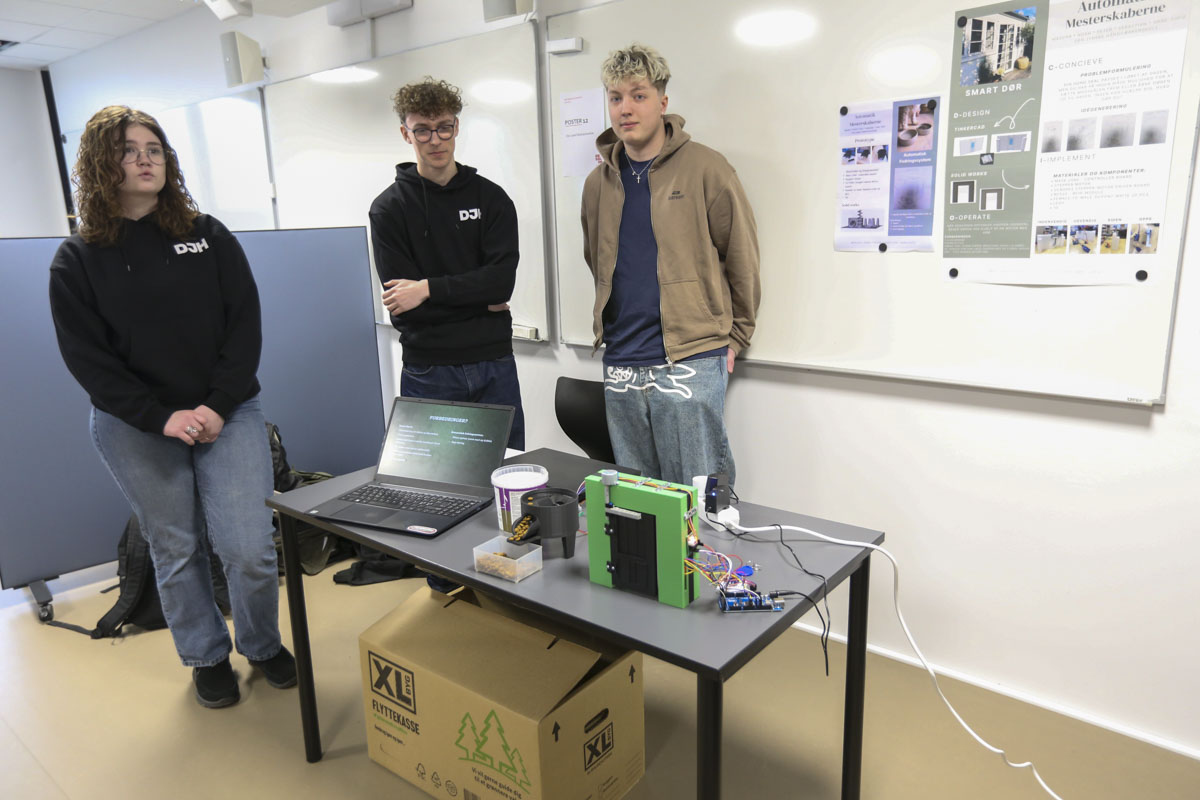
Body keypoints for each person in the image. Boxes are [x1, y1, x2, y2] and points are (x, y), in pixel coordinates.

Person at [48, 106, 294, 709]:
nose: (145, 160)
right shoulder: (77, 259)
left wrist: (217, 405)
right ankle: (206, 656)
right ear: (101, 165)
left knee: (249, 548)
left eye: (154, 149)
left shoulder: (208, 235)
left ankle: (261, 644)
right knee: (177, 547)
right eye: (128, 150)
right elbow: (89, 361)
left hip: (226, 412)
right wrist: (160, 417)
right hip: (136, 424)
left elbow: (244, 326)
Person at [581, 44, 761, 487]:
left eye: (638, 96)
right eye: (615, 97)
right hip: (622, 357)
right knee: (638, 496)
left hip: (691, 354)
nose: (625, 109)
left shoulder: (707, 168)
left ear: (662, 102)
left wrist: (737, 336)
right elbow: (597, 259)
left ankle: (709, 540)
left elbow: (741, 256)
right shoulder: (597, 183)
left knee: (700, 492)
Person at [370, 76, 525, 450]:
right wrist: (479, 301)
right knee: (435, 479)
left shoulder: (492, 199)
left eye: (443, 127)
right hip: (429, 370)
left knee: (508, 471)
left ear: (456, 127)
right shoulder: (389, 209)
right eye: (422, 130)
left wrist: (427, 289)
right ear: (406, 134)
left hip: (494, 364)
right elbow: (405, 309)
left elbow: (500, 284)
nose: (435, 140)